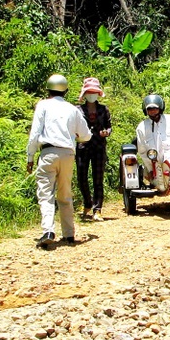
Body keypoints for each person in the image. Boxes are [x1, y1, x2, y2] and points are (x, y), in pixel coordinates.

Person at [27, 74, 92, 249]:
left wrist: (30, 157)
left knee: (46, 193)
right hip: (68, 154)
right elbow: (86, 135)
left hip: (48, 152)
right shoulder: (73, 109)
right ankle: (69, 234)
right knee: (65, 194)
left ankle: (48, 231)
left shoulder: (43, 105)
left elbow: (34, 134)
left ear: (47, 89)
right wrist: (76, 137)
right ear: (66, 91)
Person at [135, 94, 170, 192]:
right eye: (150, 109)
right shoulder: (141, 127)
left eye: (155, 108)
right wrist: (150, 169)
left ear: (160, 108)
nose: (153, 111)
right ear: (146, 111)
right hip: (155, 165)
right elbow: (142, 151)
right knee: (160, 186)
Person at [75, 77, 112, 222]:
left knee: (98, 179)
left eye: (94, 92)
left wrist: (106, 132)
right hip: (83, 147)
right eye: (89, 92)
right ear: (84, 94)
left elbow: (109, 126)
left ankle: (97, 209)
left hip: (99, 147)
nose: (91, 95)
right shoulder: (77, 110)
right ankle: (87, 203)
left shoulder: (104, 109)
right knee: (81, 178)